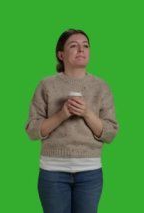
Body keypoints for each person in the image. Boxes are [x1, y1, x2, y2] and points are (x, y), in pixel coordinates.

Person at [25, 29, 118, 213]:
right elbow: (32, 130)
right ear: (61, 55)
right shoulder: (46, 85)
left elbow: (110, 133)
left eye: (85, 46)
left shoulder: (101, 87)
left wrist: (86, 113)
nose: (81, 50)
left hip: (90, 172)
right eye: (73, 46)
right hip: (53, 172)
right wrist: (62, 114)